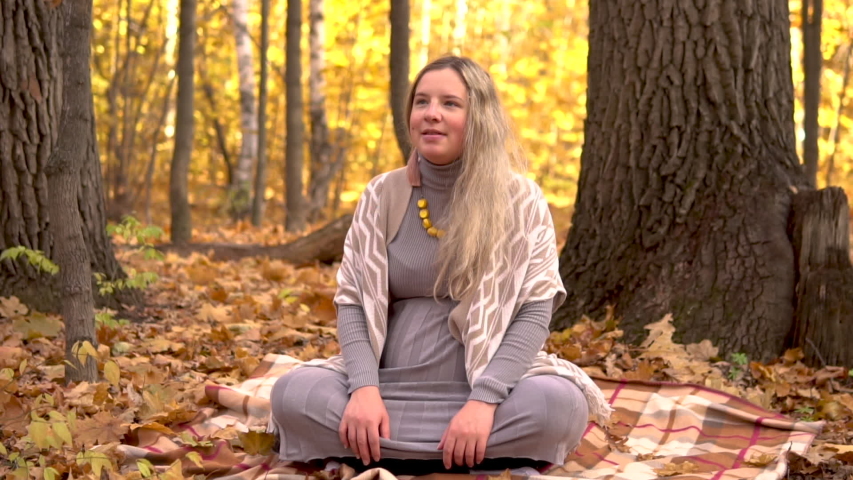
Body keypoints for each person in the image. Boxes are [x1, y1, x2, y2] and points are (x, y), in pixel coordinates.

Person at [268, 56, 612, 475]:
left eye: (451, 103)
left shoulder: (521, 200)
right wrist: (363, 390)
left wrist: (484, 402)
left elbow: (533, 313)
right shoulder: (382, 194)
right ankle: (449, 450)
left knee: (556, 407)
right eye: (422, 102)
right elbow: (354, 303)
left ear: (480, 117)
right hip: (387, 386)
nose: (431, 113)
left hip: (488, 389)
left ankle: (386, 448)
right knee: (293, 394)